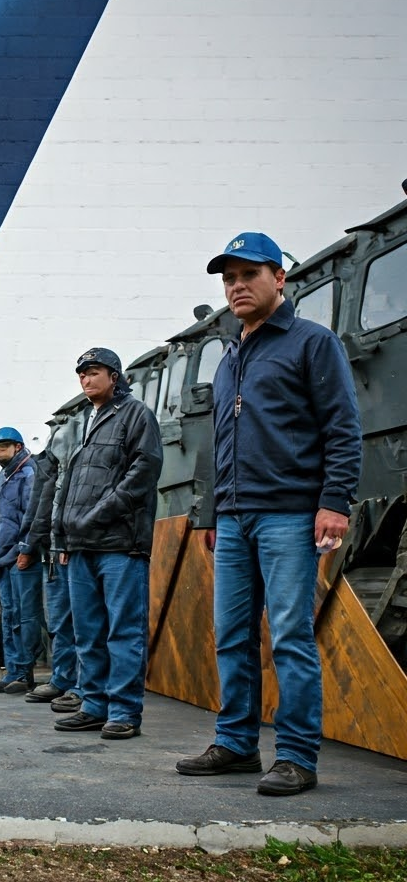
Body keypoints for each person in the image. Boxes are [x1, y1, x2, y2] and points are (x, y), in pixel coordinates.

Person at [176, 232, 362, 795]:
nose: (236, 287)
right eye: (228, 279)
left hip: (288, 514)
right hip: (233, 519)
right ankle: (235, 744)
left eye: (247, 275)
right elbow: (217, 443)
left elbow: (342, 426)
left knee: (289, 636)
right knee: (230, 635)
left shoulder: (312, 342)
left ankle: (297, 756)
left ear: (278, 278)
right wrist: (210, 512)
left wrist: (334, 501)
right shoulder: (230, 356)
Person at [52, 347, 162, 740]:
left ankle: (125, 712)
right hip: (81, 546)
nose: (86, 379)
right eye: (81, 374)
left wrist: (95, 515)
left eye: (94, 372)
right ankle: (94, 705)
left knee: (124, 632)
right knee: (88, 632)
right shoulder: (86, 422)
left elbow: (143, 472)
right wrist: (62, 535)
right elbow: (68, 484)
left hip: (119, 545)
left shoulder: (136, 415)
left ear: (114, 376)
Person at [19, 409, 82, 713]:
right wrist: (32, 541)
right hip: (54, 549)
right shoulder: (49, 466)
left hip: (72, 546)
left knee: (82, 621)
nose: (54, 434)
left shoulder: (72, 465)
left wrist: (30, 542)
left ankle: (82, 685)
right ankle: (64, 678)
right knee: (59, 620)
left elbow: (44, 505)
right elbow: (41, 505)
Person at [0, 427, 40, 695]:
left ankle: (24, 673)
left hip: (21, 558)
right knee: (9, 615)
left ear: (18, 447)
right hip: (5, 558)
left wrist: (26, 549)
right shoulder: (5, 479)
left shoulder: (27, 474)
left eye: (3, 447)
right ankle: (13, 671)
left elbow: (32, 514)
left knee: (24, 615)